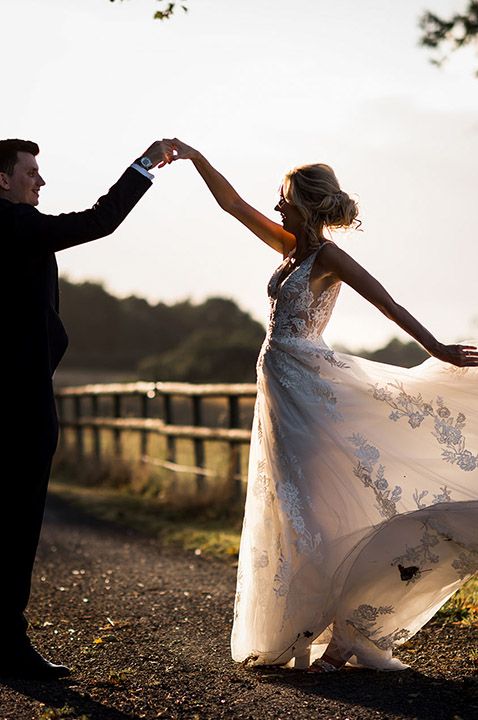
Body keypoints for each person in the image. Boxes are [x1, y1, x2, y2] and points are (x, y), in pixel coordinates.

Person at [168, 138, 478, 671]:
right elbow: (233, 205)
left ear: (306, 201)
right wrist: (196, 159)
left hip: (310, 387)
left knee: (311, 506)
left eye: (284, 196)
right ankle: (308, 628)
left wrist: (436, 349)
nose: (276, 204)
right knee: (290, 507)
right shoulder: (289, 247)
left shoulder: (328, 257)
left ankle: (338, 629)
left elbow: (387, 302)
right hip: (281, 390)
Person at [0, 137, 174, 680]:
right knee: (18, 522)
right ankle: (7, 646)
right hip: (19, 401)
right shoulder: (17, 227)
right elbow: (100, 220)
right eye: (31, 172)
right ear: (3, 179)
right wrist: (144, 166)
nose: (40, 181)